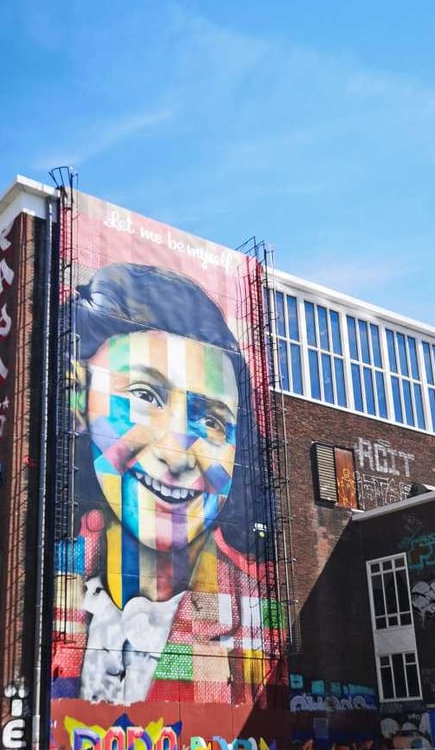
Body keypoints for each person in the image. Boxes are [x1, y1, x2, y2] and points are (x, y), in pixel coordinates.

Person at [52, 262, 281, 706]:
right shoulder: (52, 575)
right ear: (79, 398)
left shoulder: (252, 612)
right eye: (144, 396)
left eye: (213, 421)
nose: (177, 456)